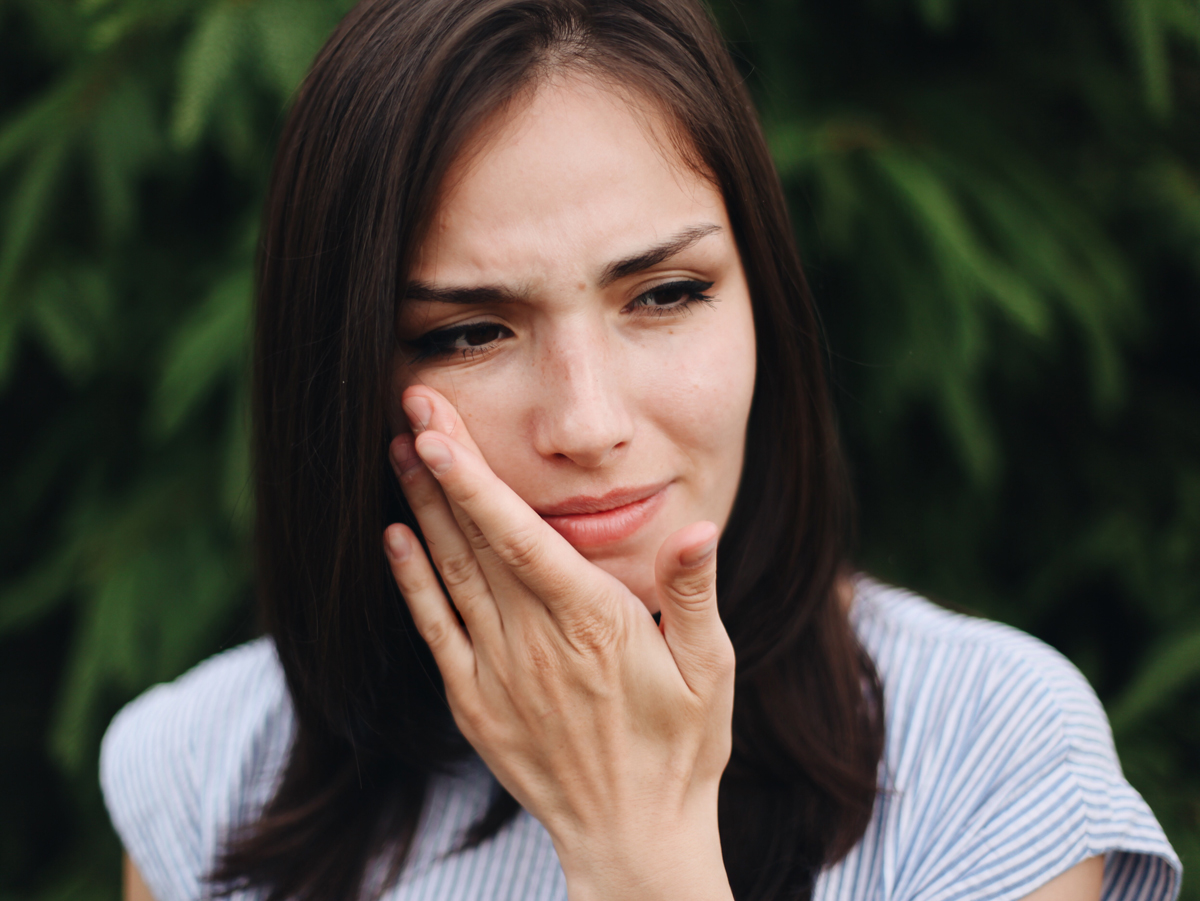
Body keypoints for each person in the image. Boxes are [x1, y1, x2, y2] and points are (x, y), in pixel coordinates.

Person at [99, 1, 1181, 899]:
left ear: (763, 297)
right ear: (347, 374)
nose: (588, 422)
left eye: (665, 294)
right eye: (468, 332)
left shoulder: (981, 751)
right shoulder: (215, 769)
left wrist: (638, 847)